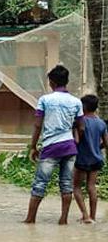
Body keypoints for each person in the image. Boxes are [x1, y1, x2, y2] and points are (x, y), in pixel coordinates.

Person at [24, 65, 84, 225]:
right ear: (67, 81)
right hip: (70, 148)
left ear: (51, 82)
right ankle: (63, 220)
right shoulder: (76, 102)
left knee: (40, 184)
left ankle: (30, 219)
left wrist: (33, 147)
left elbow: (37, 125)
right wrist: (75, 141)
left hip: (51, 147)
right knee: (66, 184)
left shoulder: (45, 100)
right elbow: (81, 127)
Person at [73, 94, 105, 223]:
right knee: (91, 187)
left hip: (81, 159)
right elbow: (106, 143)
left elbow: (76, 141)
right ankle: (93, 216)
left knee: (76, 187)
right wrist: (96, 147)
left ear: (83, 107)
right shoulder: (101, 123)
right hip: (96, 159)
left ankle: (85, 216)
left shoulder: (80, 122)